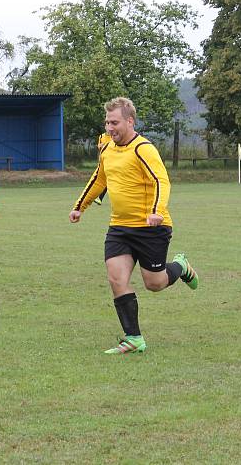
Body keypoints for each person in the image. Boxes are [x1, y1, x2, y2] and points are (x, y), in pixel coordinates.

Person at [69, 97, 199, 355]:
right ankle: (133, 338)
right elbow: (99, 179)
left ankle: (181, 266)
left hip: (151, 228)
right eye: (107, 122)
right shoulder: (107, 149)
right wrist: (79, 206)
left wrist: (156, 212)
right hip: (119, 227)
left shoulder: (143, 149)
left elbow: (162, 181)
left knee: (154, 283)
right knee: (116, 277)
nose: (109, 128)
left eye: (114, 122)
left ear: (130, 121)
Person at [93, 131, 110, 205]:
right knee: (104, 180)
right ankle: (99, 197)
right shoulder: (101, 136)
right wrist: (101, 146)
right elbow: (99, 147)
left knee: (108, 180)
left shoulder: (114, 136)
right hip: (103, 161)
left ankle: (99, 198)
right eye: (107, 124)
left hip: (112, 160)